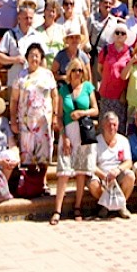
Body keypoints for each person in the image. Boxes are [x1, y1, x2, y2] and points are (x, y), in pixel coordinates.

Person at [51, 57, 98, 225]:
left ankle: (77, 206)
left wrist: (82, 113)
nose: (77, 73)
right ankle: (57, 210)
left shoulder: (88, 87)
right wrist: (64, 137)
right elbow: (59, 116)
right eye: (74, 70)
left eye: (80, 70)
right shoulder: (63, 90)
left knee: (81, 172)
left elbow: (95, 109)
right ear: (69, 72)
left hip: (84, 132)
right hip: (69, 132)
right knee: (64, 172)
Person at [10, 43, 58, 169]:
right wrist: (13, 120)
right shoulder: (21, 76)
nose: (34, 58)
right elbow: (14, 100)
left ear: (41, 58)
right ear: (27, 57)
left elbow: (55, 96)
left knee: (44, 158)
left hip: (44, 122)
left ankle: (43, 179)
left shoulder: (48, 75)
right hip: (26, 123)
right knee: (27, 158)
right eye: (31, 55)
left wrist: (55, 116)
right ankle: (29, 180)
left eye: (37, 55)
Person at [88, 111, 134, 220]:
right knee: (92, 184)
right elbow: (91, 164)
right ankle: (106, 205)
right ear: (103, 126)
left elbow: (128, 162)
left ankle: (121, 205)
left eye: (114, 125)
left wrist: (118, 170)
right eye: (109, 125)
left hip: (117, 174)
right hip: (102, 174)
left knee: (130, 176)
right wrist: (104, 176)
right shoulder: (95, 141)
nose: (112, 127)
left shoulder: (123, 140)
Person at [0, 0, 46, 89]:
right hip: (14, 83)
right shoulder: (9, 34)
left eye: (31, 18)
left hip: (33, 85)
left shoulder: (37, 36)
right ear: (19, 18)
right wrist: (14, 60)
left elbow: (43, 60)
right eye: (26, 18)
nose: (28, 21)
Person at [97, 22, 132, 131]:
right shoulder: (106, 50)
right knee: (104, 125)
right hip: (106, 93)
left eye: (123, 33)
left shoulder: (130, 52)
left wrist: (125, 91)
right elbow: (100, 69)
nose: (120, 35)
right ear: (113, 34)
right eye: (117, 32)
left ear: (126, 36)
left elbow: (130, 74)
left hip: (120, 96)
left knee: (118, 126)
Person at [52, 20, 90, 84]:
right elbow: (52, 74)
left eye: (77, 37)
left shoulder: (83, 56)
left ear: (79, 40)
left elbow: (88, 77)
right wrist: (64, 77)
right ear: (67, 40)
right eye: (71, 37)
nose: (74, 40)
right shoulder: (60, 55)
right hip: (63, 86)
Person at [37, 0, 65, 67]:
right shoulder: (37, 31)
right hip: (42, 67)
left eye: (53, 11)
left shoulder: (61, 29)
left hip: (58, 67)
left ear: (56, 14)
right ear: (44, 11)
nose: (50, 13)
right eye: (48, 10)